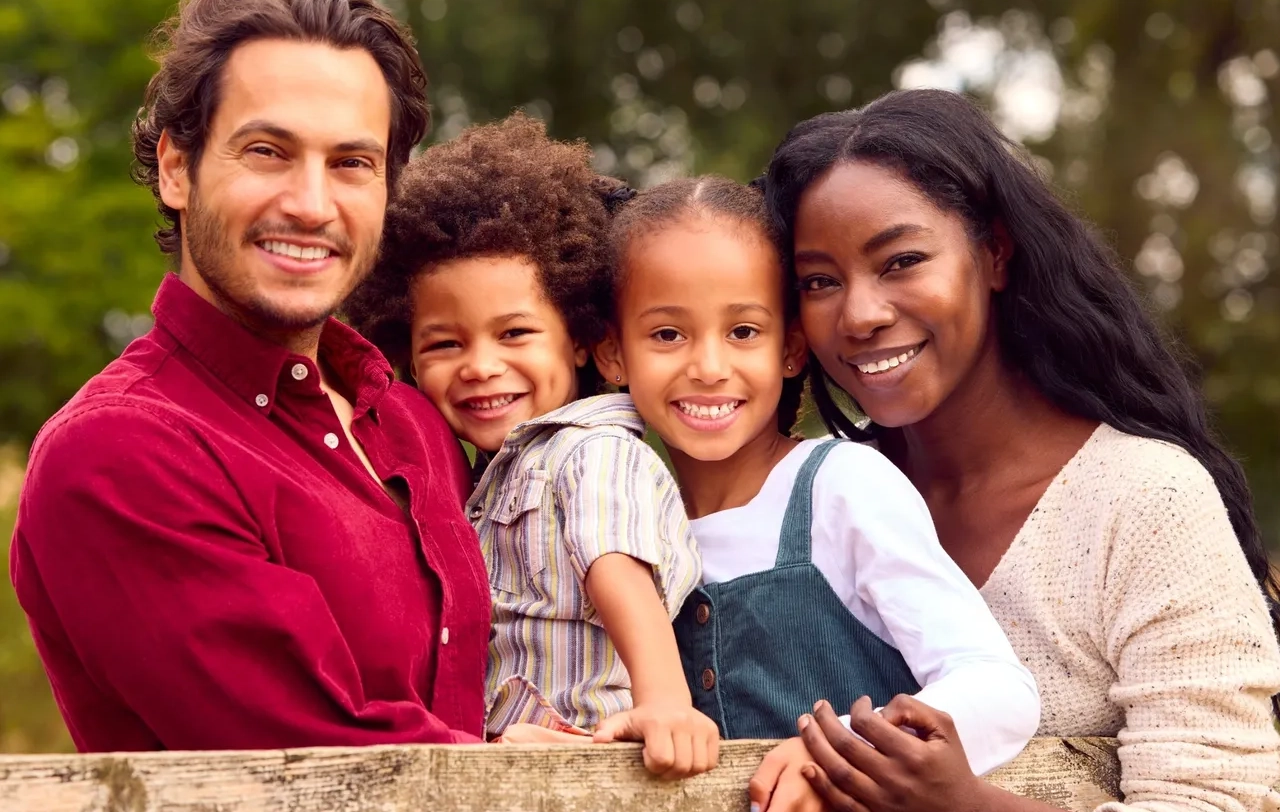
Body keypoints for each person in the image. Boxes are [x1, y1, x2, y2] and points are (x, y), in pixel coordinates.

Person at [757, 88, 1280, 812]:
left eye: (902, 261)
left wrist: (963, 806)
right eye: (820, 281)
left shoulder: (1145, 503)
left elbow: (1220, 801)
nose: (861, 314)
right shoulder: (804, 501)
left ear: (995, 253)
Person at [8, 0, 505, 751]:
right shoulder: (117, 452)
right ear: (178, 168)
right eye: (268, 151)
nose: (310, 205)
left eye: (351, 163)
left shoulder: (417, 420)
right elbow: (307, 757)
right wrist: (514, 766)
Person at [592, 174, 1040, 810]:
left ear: (791, 349)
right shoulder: (622, 530)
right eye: (668, 335)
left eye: (743, 331)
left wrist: (844, 750)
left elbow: (999, 690)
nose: (709, 367)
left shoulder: (842, 488)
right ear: (613, 355)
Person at [343, 113, 719, 778]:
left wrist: (664, 702)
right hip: (523, 767)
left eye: (514, 333)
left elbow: (617, 563)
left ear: (578, 337)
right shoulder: (487, 476)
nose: (481, 365)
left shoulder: (590, 449)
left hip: (609, 759)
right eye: (445, 343)